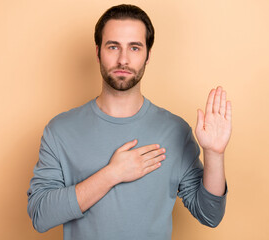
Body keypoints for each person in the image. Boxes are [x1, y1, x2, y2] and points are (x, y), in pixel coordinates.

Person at [27, 4, 232, 240]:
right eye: (113, 46)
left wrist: (215, 154)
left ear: (147, 55)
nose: (123, 59)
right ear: (97, 52)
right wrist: (112, 174)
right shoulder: (60, 130)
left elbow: (210, 215)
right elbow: (40, 215)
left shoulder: (175, 130)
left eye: (134, 48)